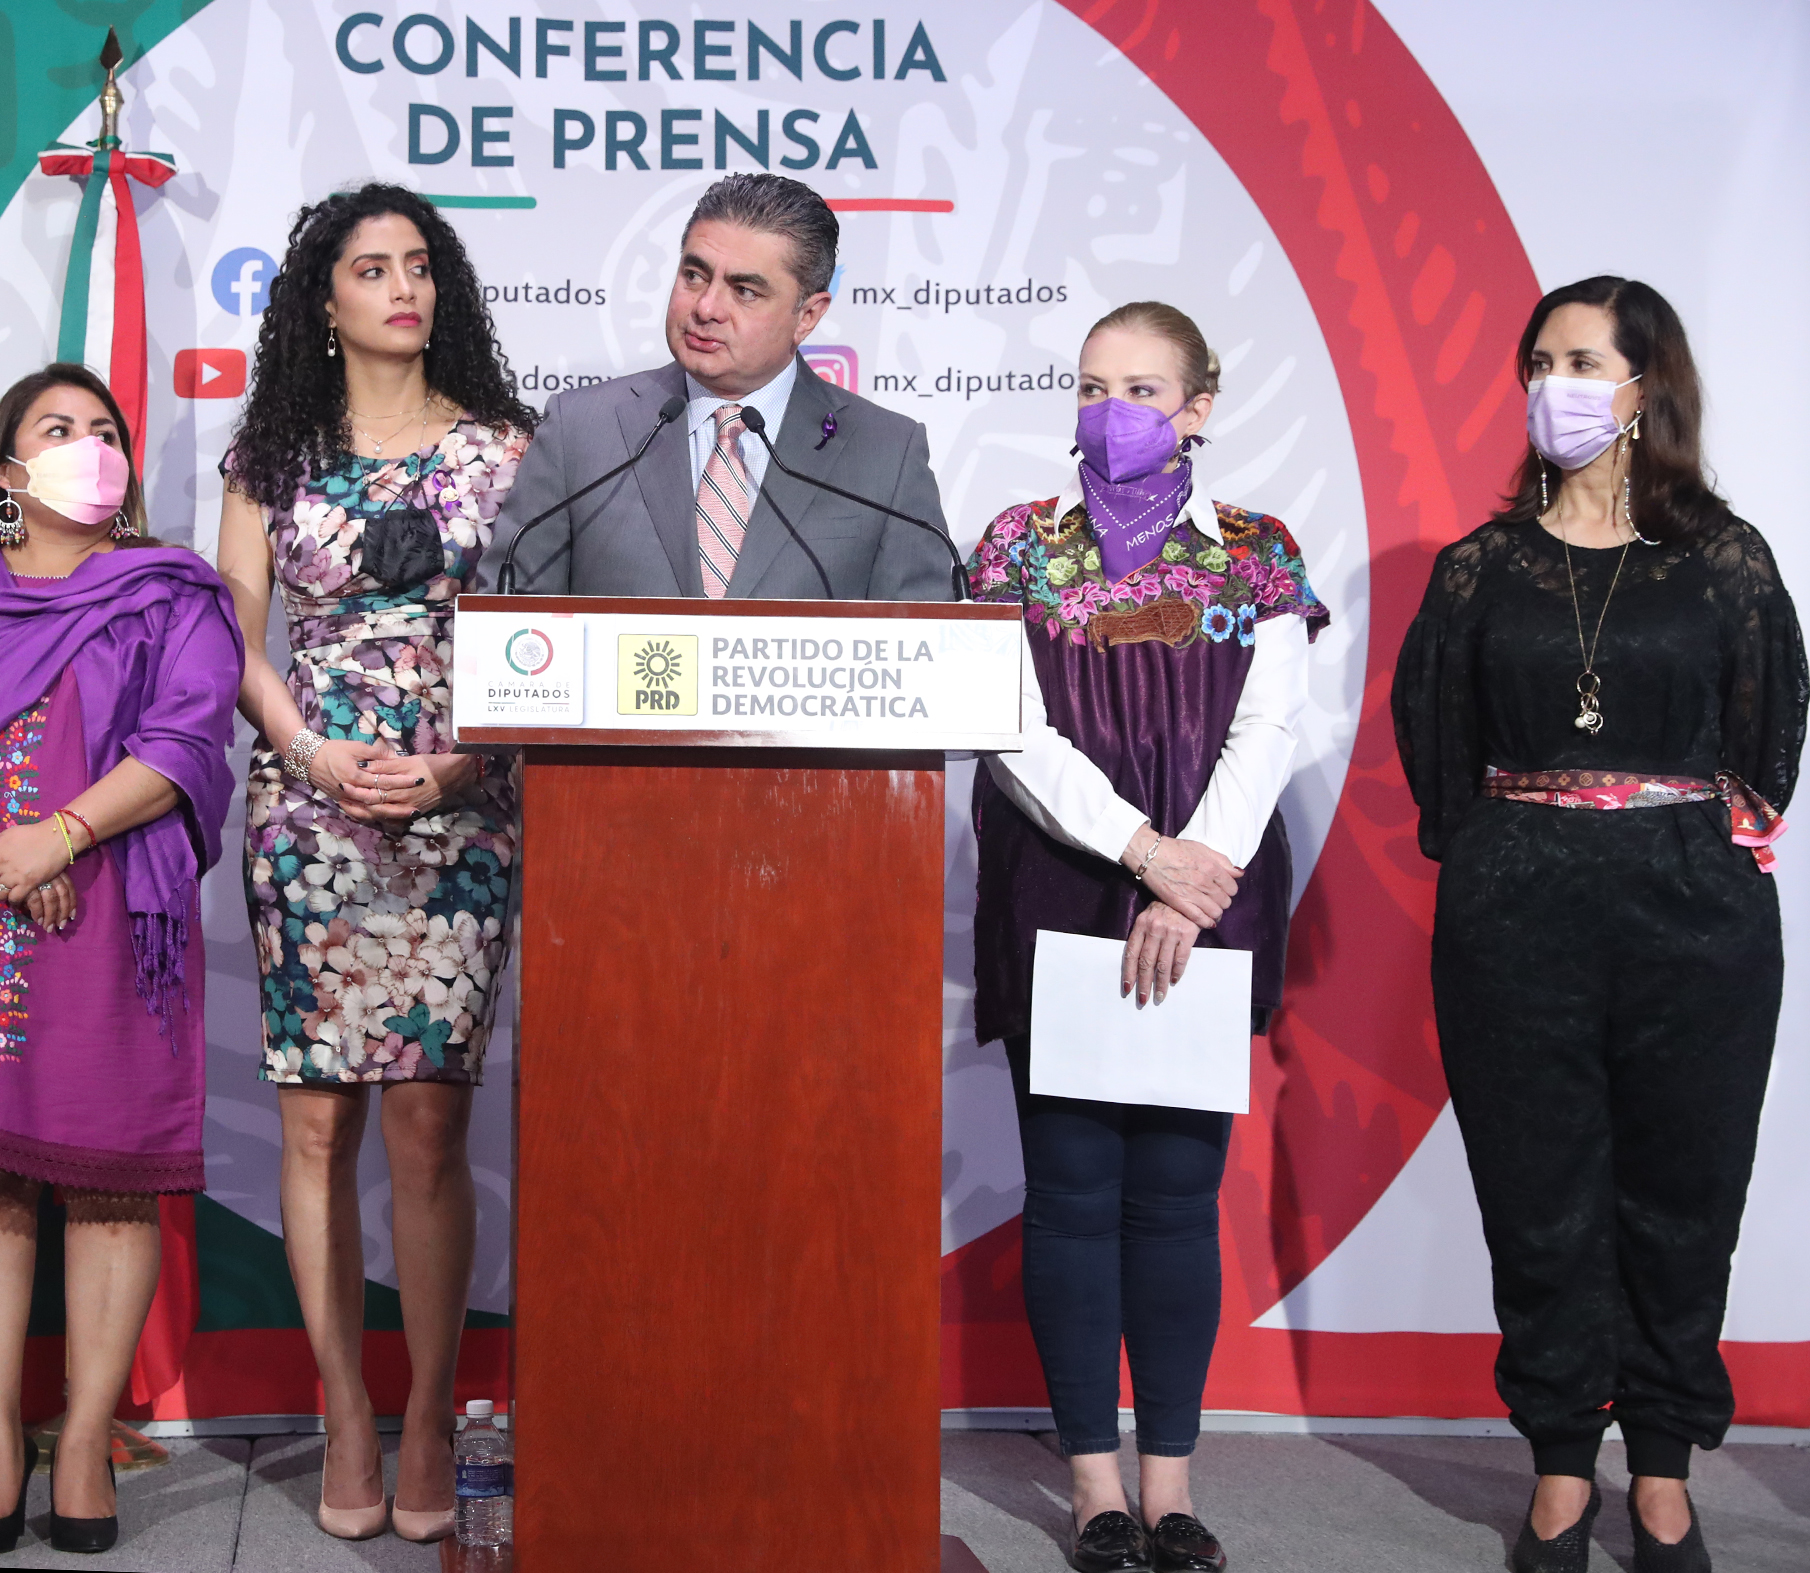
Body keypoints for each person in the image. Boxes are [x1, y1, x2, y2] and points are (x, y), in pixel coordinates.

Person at [1392, 278, 1803, 1573]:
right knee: (1537, 1195)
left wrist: (1668, 836)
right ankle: (1562, 1462)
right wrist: (1515, 850)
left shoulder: (1724, 558)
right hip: (1512, 914)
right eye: (1536, 362)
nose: (1549, 385)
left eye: (1578, 361)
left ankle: (1663, 1466)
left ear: (1641, 386)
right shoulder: (1478, 568)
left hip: (1694, 915)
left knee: (1686, 1192)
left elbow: (1768, 737)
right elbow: (1435, 746)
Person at [0, 364, 243, 1558]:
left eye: (105, 428)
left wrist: (61, 835)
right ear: (9, 469)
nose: (90, 444)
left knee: (111, 1179)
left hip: (115, 906)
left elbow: (187, 739)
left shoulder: (172, 592)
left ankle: (81, 1441)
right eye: (59, 428)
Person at [966, 302, 1328, 1573]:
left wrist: (1190, 880)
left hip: (1208, 902)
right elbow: (1008, 724)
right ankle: (1092, 1488)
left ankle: (1169, 1487)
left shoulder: (1258, 553)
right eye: (1090, 386)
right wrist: (1137, 850)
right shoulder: (1015, 547)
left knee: (1175, 1201)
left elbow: (1269, 727)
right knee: (1069, 1198)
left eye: (1139, 388)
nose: (1109, 410)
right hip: (1060, 890)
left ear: (1197, 408)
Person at [215, 183, 536, 1545]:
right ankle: (345, 1408)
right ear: (324, 299)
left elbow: (543, 641)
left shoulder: (508, 450)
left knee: (426, 1124)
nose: (401, 287)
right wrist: (305, 749)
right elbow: (231, 638)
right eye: (370, 268)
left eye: (418, 265)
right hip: (309, 815)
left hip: (462, 810)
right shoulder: (269, 456)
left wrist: (462, 763)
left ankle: (430, 1411)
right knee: (315, 1123)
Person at [481, 172, 953, 601]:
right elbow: (510, 618)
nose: (706, 308)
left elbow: (926, 643)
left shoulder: (887, 453)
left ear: (807, 316)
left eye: (745, 291)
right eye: (694, 276)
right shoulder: (581, 430)